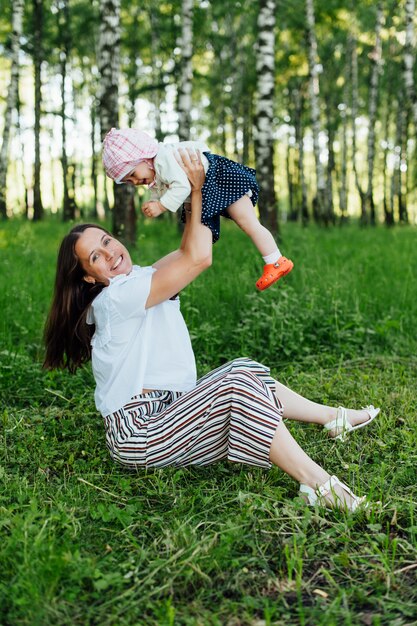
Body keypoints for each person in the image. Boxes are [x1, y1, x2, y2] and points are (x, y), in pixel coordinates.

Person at [44, 149, 379, 512]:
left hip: (172, 411)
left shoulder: (139, 279)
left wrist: (192, 188)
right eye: (95, 256)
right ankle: (318, 485)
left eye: (106, 241)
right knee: (236, 380)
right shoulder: (115, 298)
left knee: (246, 371)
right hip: (139, 432)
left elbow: (194, 248)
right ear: (89, 277)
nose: (109, 253)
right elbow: (198, 258)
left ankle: (333, 418)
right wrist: (199, 190)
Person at [102, 127, 294, 291]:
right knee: (242, 224)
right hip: (209, 185)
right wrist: (154, 200)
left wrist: (160, 205)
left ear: (144, 159)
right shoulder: (157, 168)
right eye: (129, 181)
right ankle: (274, 261)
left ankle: (276, 261)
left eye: (133, 174)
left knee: (248, 222)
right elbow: (161, 187)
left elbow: (182, 186)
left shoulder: (162, 160)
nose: (135, 182)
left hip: (221, 179)